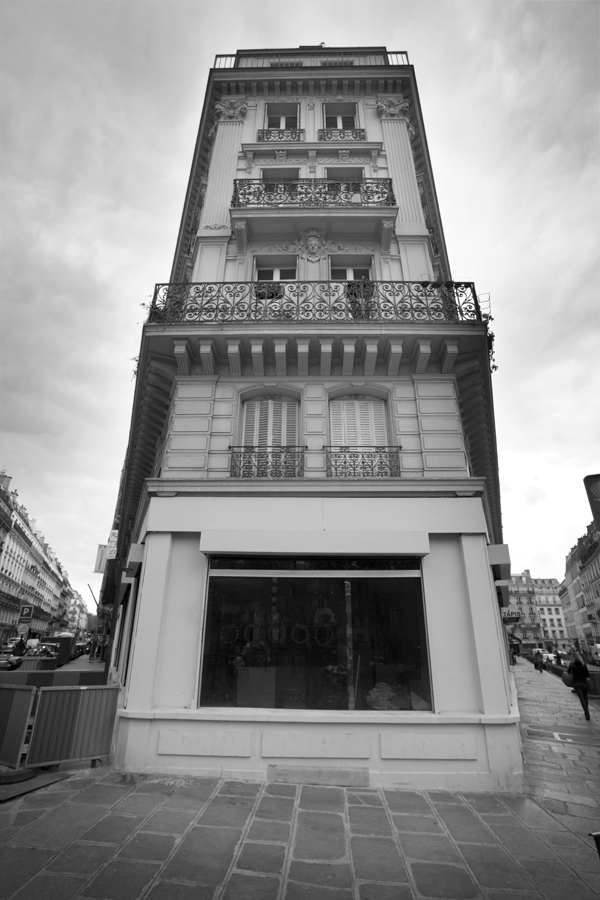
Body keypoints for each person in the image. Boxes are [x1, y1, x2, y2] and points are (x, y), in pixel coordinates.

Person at [568, 652, 591, 720]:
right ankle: (587, 712)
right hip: (584, 683)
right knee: (585, 698)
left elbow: (569, 672)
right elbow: (587, 674)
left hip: (577, 683)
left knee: (581, 698)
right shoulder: (583, 664)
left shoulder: (572, 664)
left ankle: (587, 713)